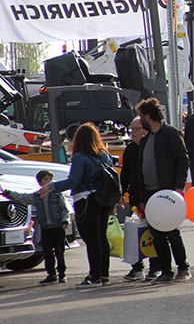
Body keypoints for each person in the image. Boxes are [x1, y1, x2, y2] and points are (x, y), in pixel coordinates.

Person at [47, 123, 114, 288]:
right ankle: (104, 274)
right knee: (101, 237)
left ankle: (94, 275)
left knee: (91, 239)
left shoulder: (79, 157)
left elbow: (73, 181)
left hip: (85, 201)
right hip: (103, 199)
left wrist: (51, 187)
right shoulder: (105, 155)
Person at [132, 97, 192, 284]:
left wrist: (178, 187)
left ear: (148, 117)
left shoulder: (171, 134)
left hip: (168, 193)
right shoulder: (147, 138)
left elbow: (183, 160)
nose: (140, 120)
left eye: (141, 116)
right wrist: (141, 196)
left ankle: (183, 268)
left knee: (172, 232)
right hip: (150, 194)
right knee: (156, 235)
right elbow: (140, 168)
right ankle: (166, 271)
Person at [1, 170, 69, 285]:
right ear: (40, 183)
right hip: (45, 229)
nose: (48, 182)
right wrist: (7, 192)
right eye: (45, 180)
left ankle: (62, 274)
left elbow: (64, 209)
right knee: (47, 253)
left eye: (50, 179)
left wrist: (65, 221)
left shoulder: (57, 195)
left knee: (59, 252)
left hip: (57, 227)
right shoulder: (36, 196)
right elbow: (22, 197)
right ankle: (51, 274)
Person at [119, 117, 158, 281]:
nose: (132, 133)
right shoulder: (130, 150)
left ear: (145, 130)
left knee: (154, 233)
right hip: (135, 197)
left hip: (151, 196)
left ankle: (155, 268)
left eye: (136, 129)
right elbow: (126, 173)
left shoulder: (152, 148)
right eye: (131, 129)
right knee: (134, 232)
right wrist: (121, 193)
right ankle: (137, 268)